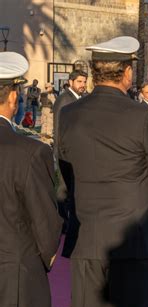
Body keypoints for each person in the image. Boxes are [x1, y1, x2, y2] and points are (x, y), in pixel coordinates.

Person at [58, 36, 148, 307]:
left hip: (87, 237)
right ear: (127, 72)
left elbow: (65, 175)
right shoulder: (144, 116)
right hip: (134, 240)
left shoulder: (70, 114)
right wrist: (144, 211)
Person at [0, 51, 62, 307]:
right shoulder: (29, 151)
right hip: (14, 272)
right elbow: (44, 216)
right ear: (13, 96)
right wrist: (46, 254)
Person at [53, 69, 88, 234]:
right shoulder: (64, 99)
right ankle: (62, 223)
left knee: (73, 190)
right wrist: (62, 153)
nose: (83, 85)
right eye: (80, 81)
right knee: (63, 190)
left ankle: (71, 221)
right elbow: (59, 129)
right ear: (71, 82)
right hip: (65, 154)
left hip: (79, 152)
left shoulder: (82, 98)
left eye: (84, 81)